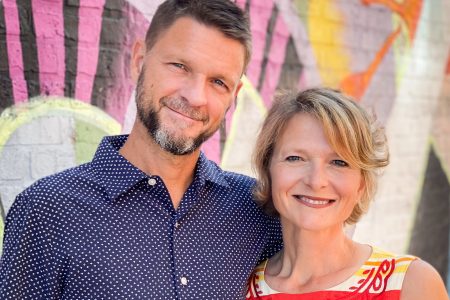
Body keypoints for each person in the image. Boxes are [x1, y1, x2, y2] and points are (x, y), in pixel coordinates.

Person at [0, 1, 282, 299]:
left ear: (233, 97)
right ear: (138, 61)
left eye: (218, 82)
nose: (196, 96)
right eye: (180, 66)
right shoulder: (47, 210)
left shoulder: (259, 211)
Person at [247, 88, 448, 299]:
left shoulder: (410, 283)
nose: (316, 181)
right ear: (268, 171)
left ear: (361, 183)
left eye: (339, 162)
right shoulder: (239, 288)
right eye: (295, 158)